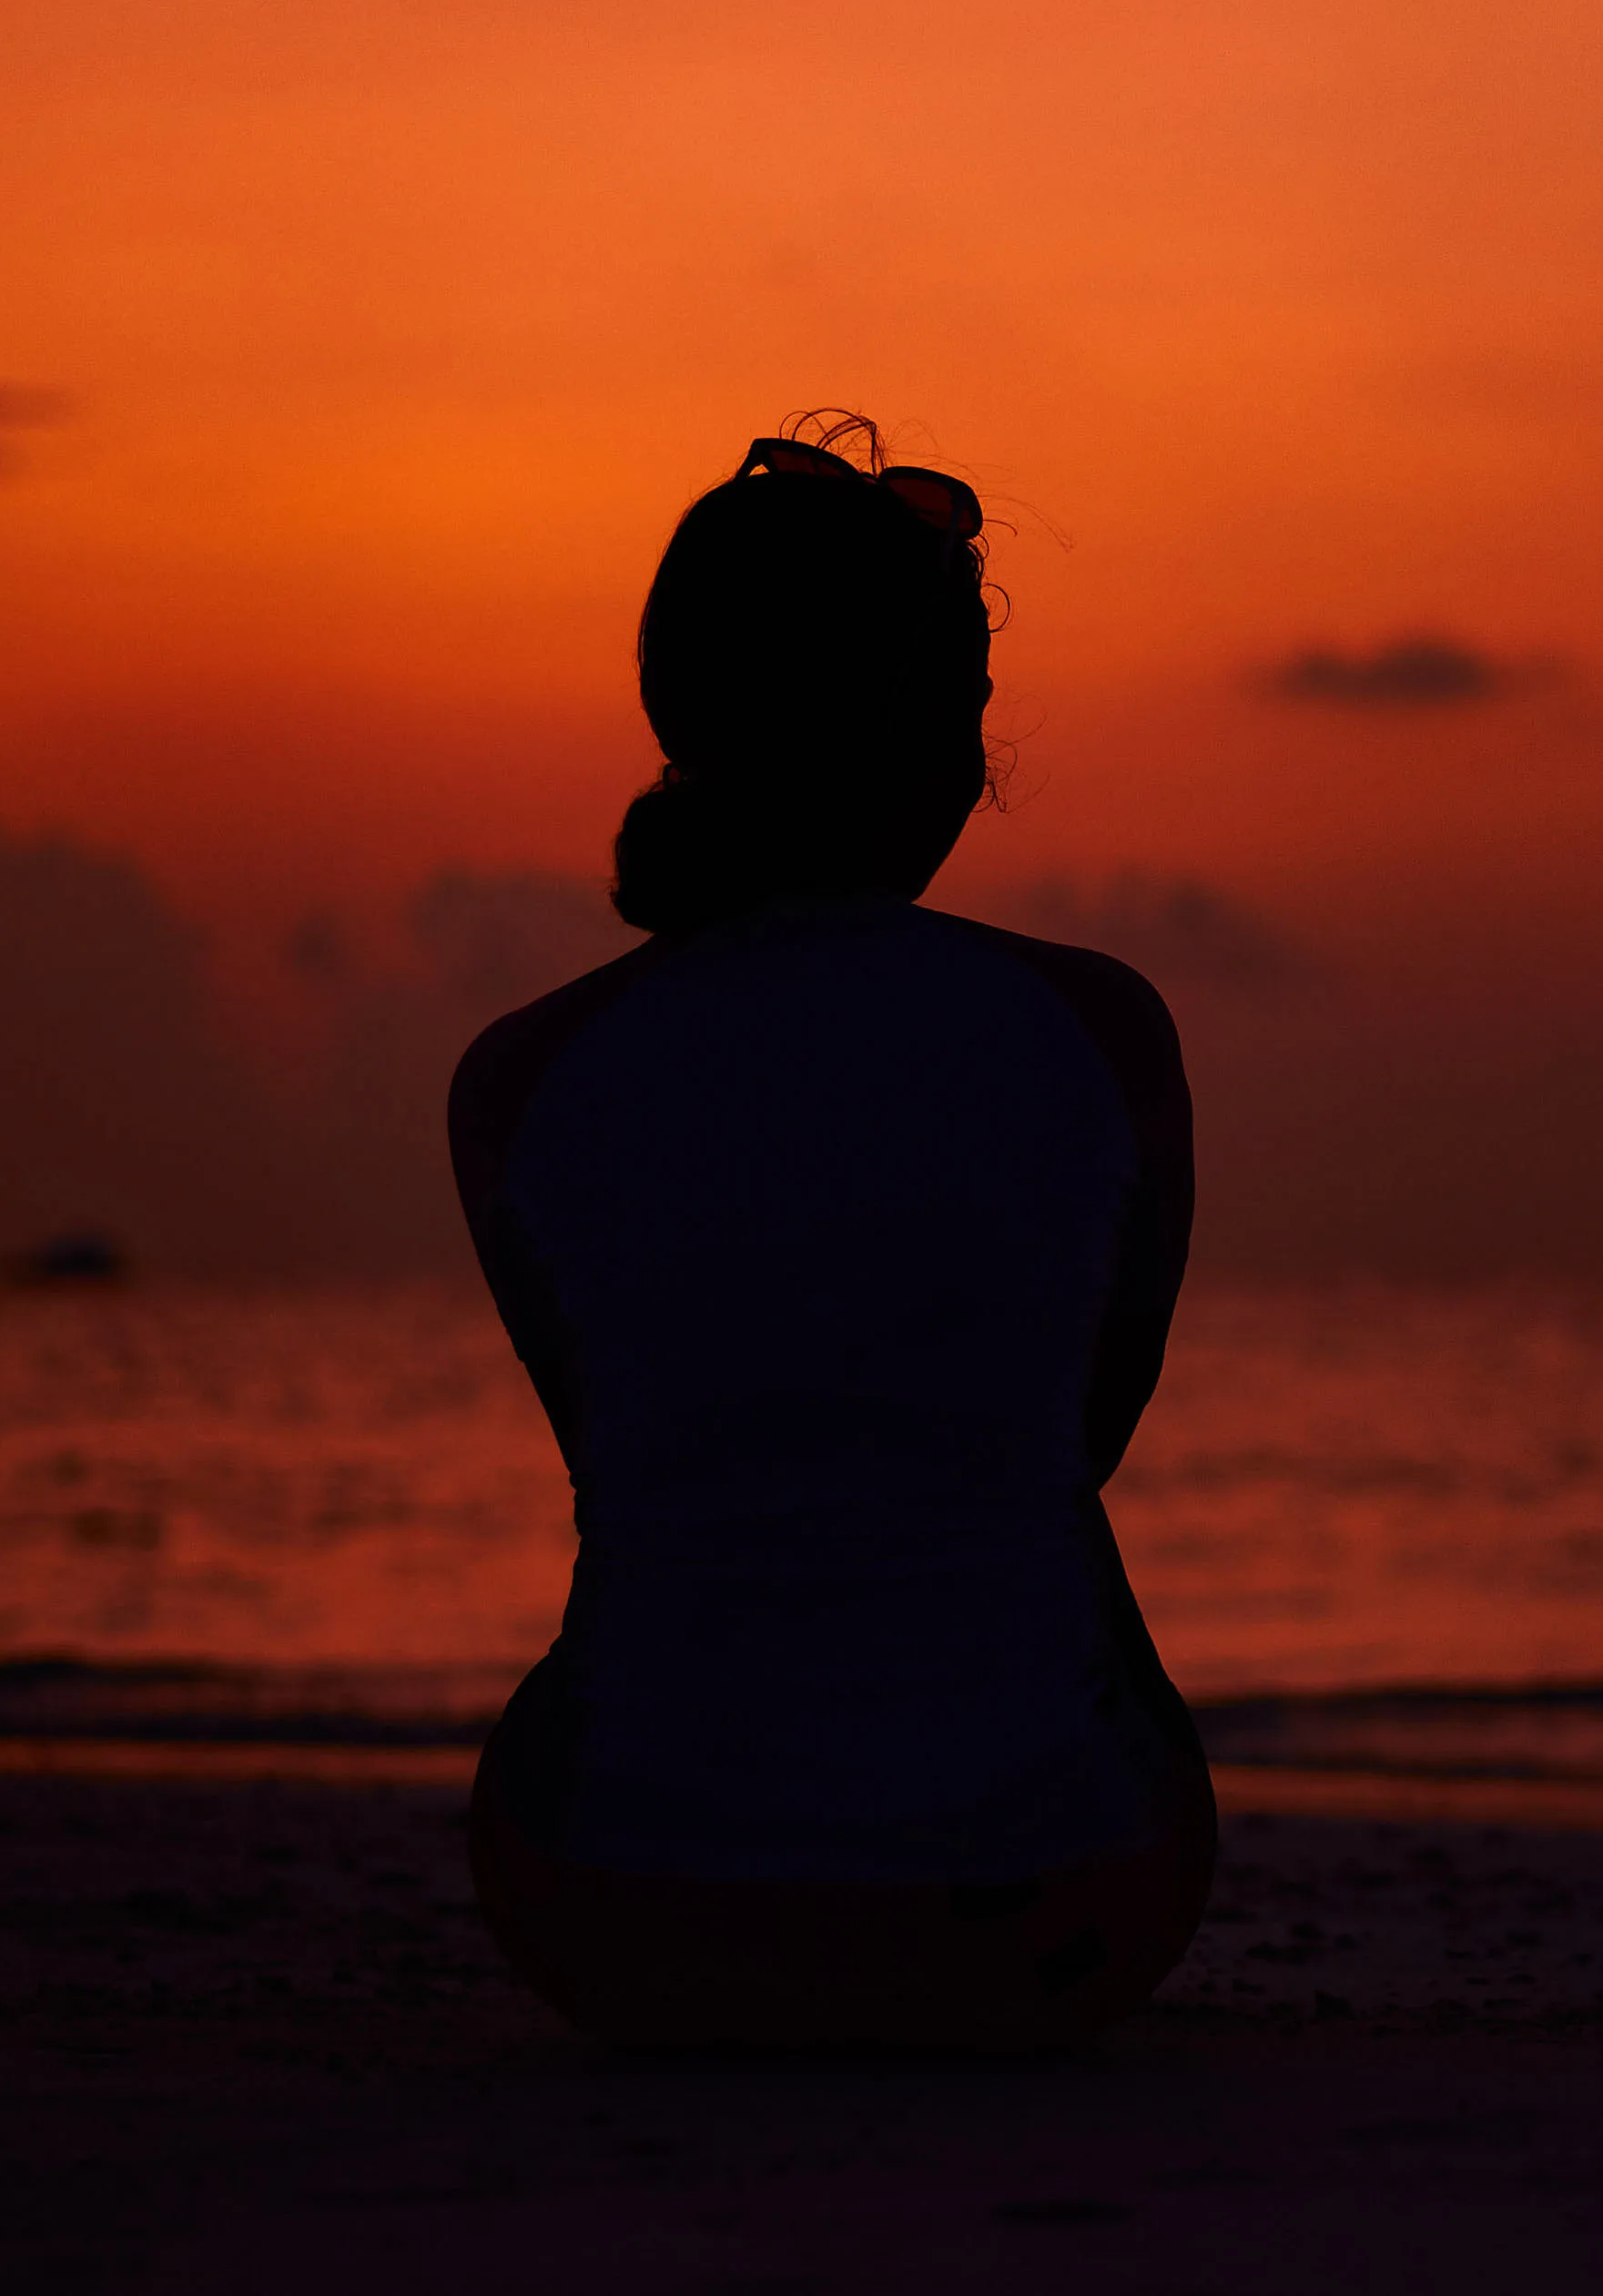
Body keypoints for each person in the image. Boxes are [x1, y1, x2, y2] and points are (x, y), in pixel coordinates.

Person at [447, 414, 1210, 2051]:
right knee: (1043, 1538)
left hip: (625, 1924)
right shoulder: (1101, 1032)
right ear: (947, 739)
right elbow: (1081, 1439)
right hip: (1056, 1918)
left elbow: (628, 1454)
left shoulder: (517, 1078)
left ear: (680, 719)